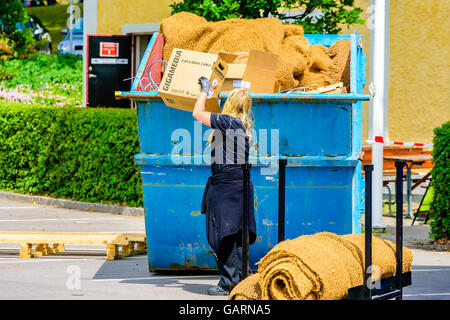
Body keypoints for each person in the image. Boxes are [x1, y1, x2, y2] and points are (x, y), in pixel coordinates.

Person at [194, 77, 257, 296]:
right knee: (236, 234)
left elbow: (197, 113)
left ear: (231, 104)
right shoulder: (243, 125)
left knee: (222, 234)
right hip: (239, 186)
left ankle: (229, 282)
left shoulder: (228, 122)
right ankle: (238, 280)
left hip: (227, 189)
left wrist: (204, 91)